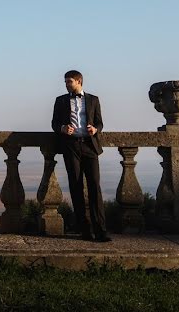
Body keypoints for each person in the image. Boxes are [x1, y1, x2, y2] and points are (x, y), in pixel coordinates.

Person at [51, 70, 111, 242]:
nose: (67, 84)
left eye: (69, 81)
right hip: (71, 146)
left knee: (94, 186)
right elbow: (54, 123)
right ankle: (84, 230)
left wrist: (96, 129)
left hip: (89, 146)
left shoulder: (93, 100)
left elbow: (99, 121)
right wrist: (62, 128)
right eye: (65, 82)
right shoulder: (60, 100)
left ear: (79, 81)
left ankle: (101, 231)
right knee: (76, 187)